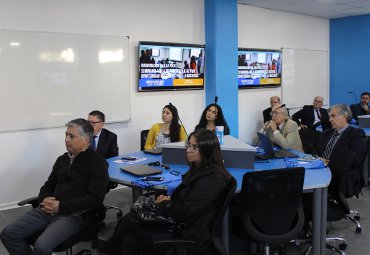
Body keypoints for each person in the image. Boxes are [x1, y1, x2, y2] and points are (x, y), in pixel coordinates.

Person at [94, 129, 232, 255]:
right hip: (180, 221)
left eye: (194, 147)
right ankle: (111, 249)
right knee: (129, 238)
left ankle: (109, 249)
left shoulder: (210, 180)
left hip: (185, 232)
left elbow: (186, 213)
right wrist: (169, 201)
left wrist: (166, 204)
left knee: (130, 220)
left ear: (207, 151)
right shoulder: (201, 170)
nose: (188, 150)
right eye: (188, 145)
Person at [0, 118, 109, 255]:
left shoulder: (97, 163)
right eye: (66, 135)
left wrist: (61, 206)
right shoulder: (62, 159)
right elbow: (48, 185)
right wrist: (44, 199)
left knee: (42, 246)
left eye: (71, 136)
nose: (66, 139)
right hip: (47, 209)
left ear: (86, 140)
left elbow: (95, 198)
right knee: (8, 234)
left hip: (73, 215)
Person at [314, 104, 367, 197]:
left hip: (341, 175)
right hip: (320, 171)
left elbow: (355, 160)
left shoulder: (356, 134)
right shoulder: (327, 133)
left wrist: (326, 163)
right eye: (329, 116)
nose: (330, 119)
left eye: (333, 116)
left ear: (345, 116)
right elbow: (315, 152)